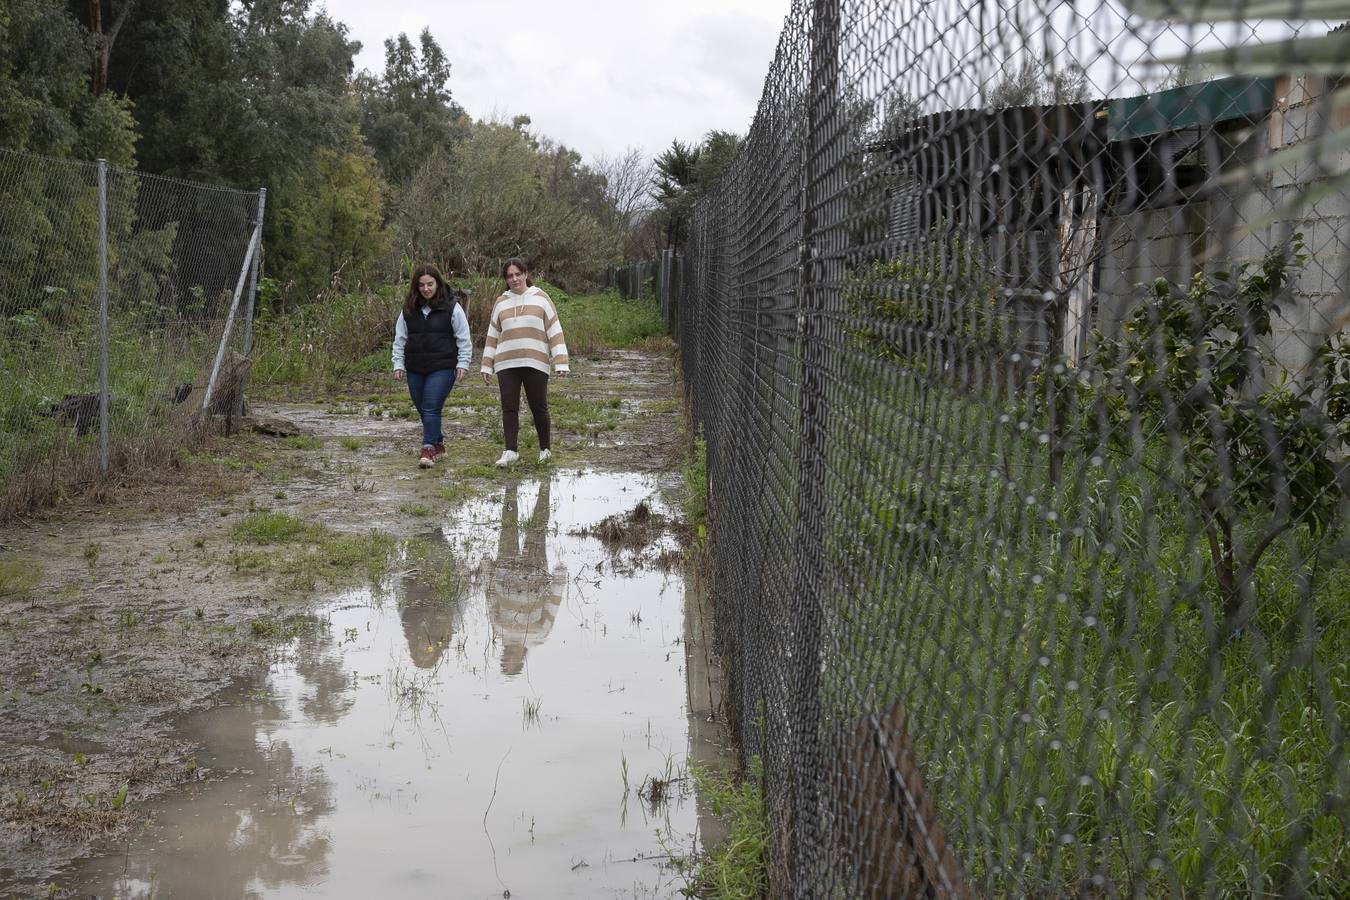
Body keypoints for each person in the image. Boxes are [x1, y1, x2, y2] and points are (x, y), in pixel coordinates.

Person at [480, 257, 569, 467]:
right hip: (506, 364)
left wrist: (561, 361)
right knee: (509, 407)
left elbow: (554, 329)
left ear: (526, 274)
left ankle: (545, 450)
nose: (514, 279)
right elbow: (492, 335)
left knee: (539, 407)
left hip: (535, 362)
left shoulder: (541, 298)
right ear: (506, 279)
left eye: (518, 274)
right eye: (510, 276)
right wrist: (486, 364)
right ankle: (511, 451)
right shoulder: (501, 302)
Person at [392, 264, 472, 468]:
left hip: (443, 366)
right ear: (416, 287)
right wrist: (398, 363)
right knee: (423, 409)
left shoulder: (452, 307)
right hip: (415, 367)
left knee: (430, 406)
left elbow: (464, 338)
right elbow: (400, 339)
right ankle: (438, 444)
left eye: (430, 284)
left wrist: (463, 363)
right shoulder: (408, 310)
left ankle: (428, 449)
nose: (426, 289)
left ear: (438, 284)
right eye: (421, 285)